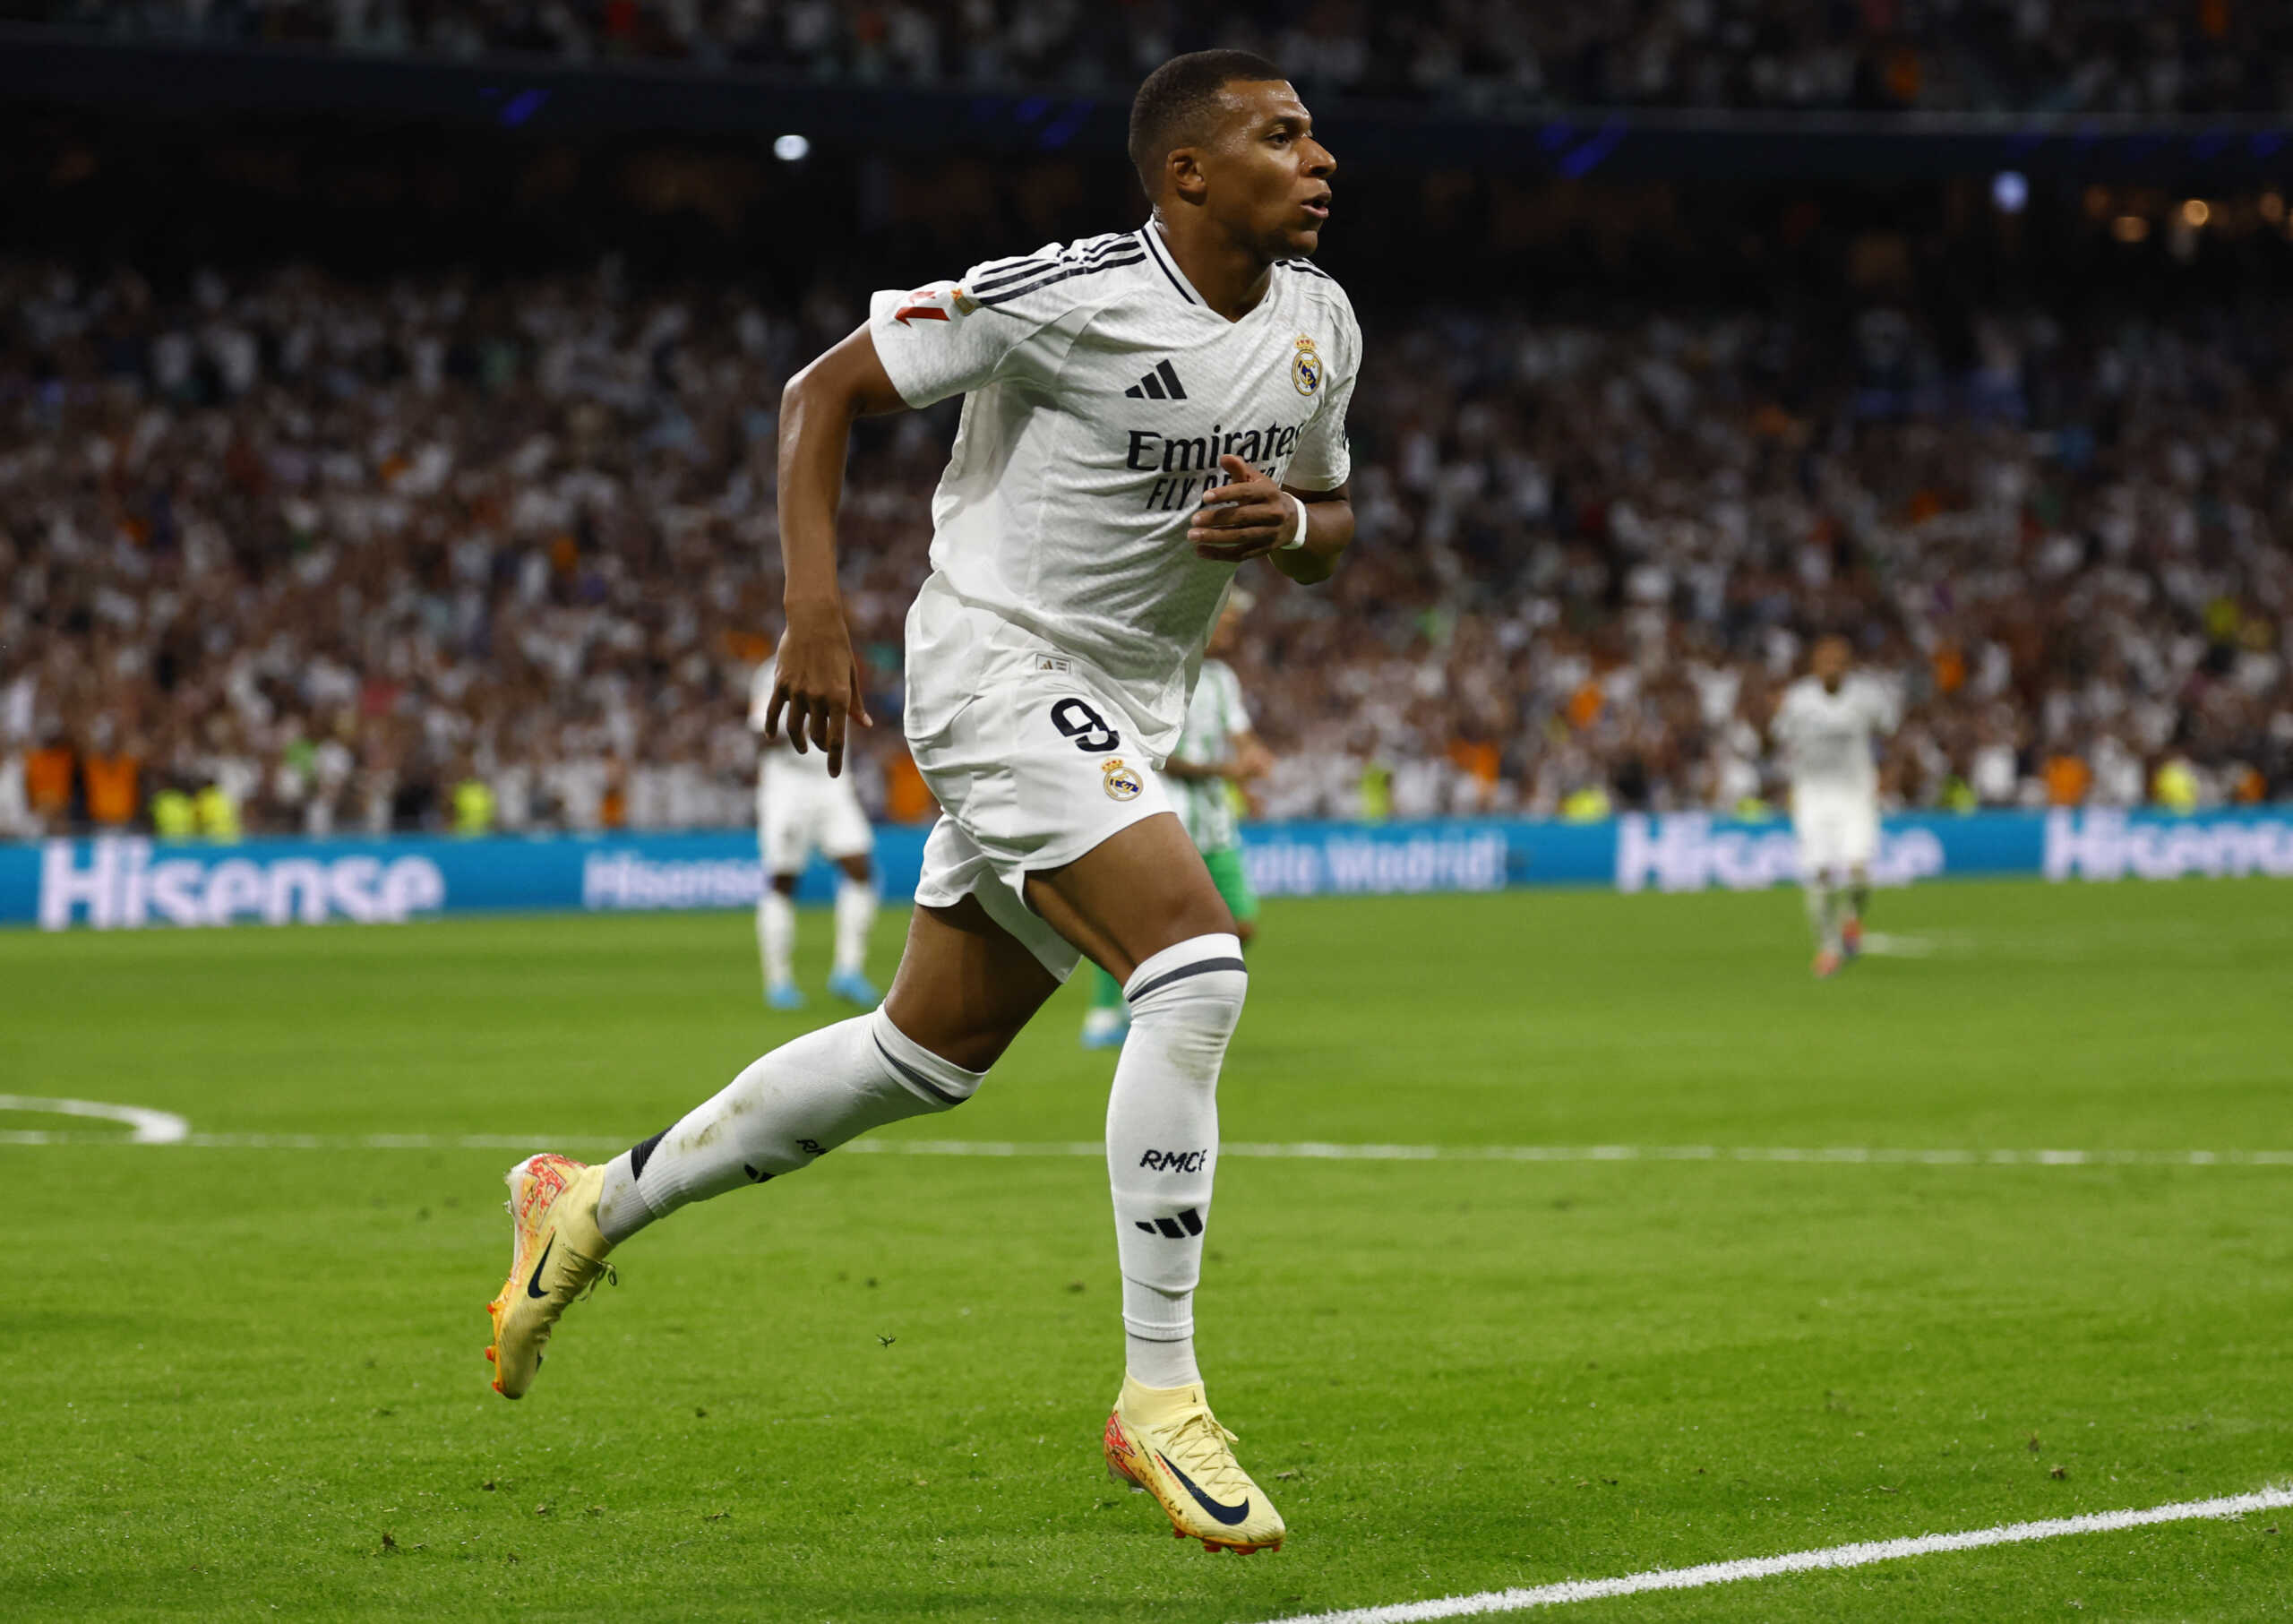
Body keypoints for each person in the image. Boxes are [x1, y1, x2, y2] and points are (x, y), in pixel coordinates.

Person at [484, 50, 1355, 1557]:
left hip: (1125, 706)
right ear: (1189, 175)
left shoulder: (1321, 327)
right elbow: (820, 390)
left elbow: (1337, 526)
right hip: (995, 662)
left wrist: (1292, 522)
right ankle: (1161, 1396)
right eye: (1282, 135)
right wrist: (812, 608)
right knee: (1197, 969)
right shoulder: (1068, 294)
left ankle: (588, 1201)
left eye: (1316, 132)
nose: (1321, 155)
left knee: (923, 1051)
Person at [1082, 590, 1271, 1049]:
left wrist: (1250, 761)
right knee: (1142, 919)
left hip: (1214, 820)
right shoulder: (1159, 675)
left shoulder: (1223, 679)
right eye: (1226, 621)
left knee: (1239, 923)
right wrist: (1228, 770)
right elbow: (1158, 756)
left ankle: (1167, 1001)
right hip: (1163, 811)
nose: (1232, 630)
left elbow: (1239, 734)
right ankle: (1110, 1014)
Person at [747, 650, 881, 1010]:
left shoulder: (839, 663)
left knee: (860, 868)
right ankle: (779, 982)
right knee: (784, 879)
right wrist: (808, 723)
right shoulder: (775, 671)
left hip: (833, 783)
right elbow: (763, 736)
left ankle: (848, 972)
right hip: (788, 787)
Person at [1771, 634, 1898, 977]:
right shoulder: (1798, 699)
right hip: (1813, 796)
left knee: (1859, 873)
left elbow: (1890, 732)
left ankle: (1852, 919)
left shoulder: (1867, 698)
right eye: (1826, 662)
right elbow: (1780, 740)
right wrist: (1788, 785)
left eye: (1839, 662)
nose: (1833, 668)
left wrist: (1888, 774)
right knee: (1820, 875)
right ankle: (1828, 949)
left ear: (1848, 666)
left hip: (1856, 795)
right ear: (1814, 666)